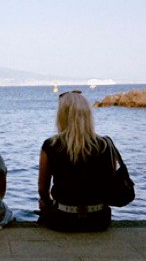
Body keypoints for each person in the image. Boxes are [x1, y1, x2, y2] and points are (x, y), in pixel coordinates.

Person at [37, 90, 116, 232]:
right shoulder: (105, 144)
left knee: (44, 207)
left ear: (62, 115)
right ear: (87, 115)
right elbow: (112, 182)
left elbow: (43, 190)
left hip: (63, 219)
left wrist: (47, 204)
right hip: (98, 219)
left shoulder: (51, 145)